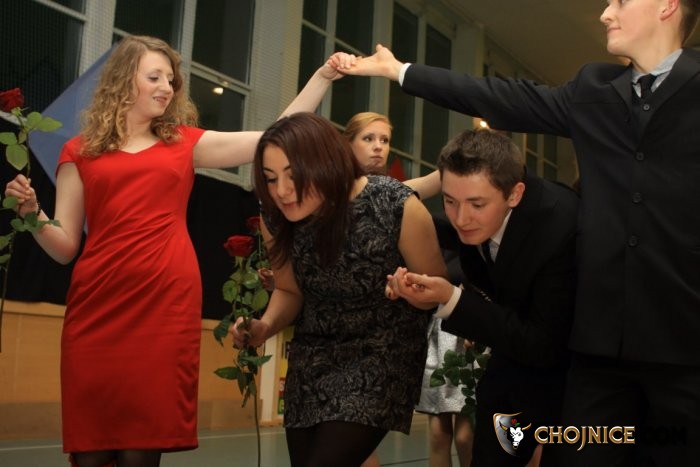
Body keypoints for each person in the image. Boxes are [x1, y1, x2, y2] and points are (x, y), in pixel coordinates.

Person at [338, 1, 700, 464]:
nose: (606, 13)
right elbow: (500, 96)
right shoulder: (594, 89)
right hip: (599, 352)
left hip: (684, 344)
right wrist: (400, 71)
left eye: (621, 1)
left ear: (667, 5)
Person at [3, 35, 346, 467]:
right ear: (124, 80)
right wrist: (33, 214)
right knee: (91, 449)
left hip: (164, 302)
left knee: (141, 448)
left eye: (170, 79)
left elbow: (274, 138)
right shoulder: (80, 151)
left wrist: (322, 77)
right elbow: (65, 247)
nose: (167, 87)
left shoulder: (183, 143)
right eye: (155, 77)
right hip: (96, 305)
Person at [231, 111, 447, 467]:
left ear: (326, 163)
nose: (281, 191)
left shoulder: (395, 205)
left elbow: (438, 290)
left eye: (293, 175)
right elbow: (289, 290)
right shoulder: (276, 215)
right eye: (270, 178)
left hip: (382, 353)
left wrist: (413, 292)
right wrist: (264, 326)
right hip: (313, 356)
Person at [384, 128, 578, 466]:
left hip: (577, 379)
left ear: (515, 194)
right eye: (449, 201)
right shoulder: (472, 217)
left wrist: (451, 300)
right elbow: (407, 214)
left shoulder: (559, 229)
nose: (461, 219)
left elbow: (542, 343)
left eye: (476, 204)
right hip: (510, 373)